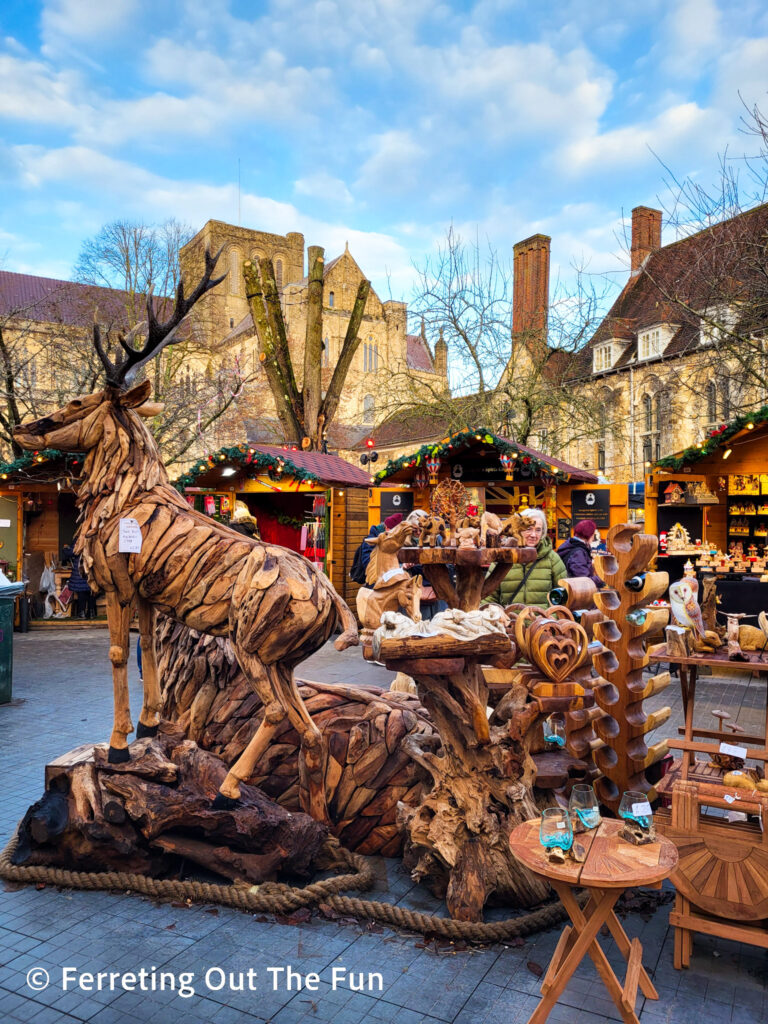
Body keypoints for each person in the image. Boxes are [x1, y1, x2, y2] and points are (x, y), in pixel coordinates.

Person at [486, 507, 567, 608]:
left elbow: (564, 595)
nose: (533, 535)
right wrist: (499, 615)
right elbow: (488, 598)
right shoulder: (502, 557)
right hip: (510, 621)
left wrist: (551, 617)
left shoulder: (552, 559)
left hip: (542, 622)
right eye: (528, 529)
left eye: (538, 530)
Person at [350, 512, 402, 584]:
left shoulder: (395, 541)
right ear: (387, 528)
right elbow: (368, 563)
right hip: (375, 583)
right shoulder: (371, 541)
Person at [557, 519, 605, 587]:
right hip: (575, 594)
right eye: (593, 534)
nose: (593, 538)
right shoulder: (578, 553)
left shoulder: (570, 545)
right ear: (589, 535)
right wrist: (603, 578)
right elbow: (584, 581)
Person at [61, 544, 96, 619]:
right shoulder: (94, 537)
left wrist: (65, 549)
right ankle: (91, 612)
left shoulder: (80, 539)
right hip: (92, 568)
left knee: (81, 591)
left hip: (81, 569)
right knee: (91, 591)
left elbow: (73, 551)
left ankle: (82, 613)